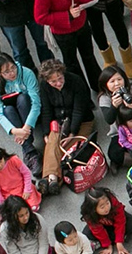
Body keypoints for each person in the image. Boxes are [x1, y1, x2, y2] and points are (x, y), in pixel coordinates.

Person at [34, 0, 101, 88]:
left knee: (89, 56)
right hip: (63, 32)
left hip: (81, 24)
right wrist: (67, 16)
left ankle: (98, 86)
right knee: (72, 64)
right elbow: (40, 17)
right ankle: (82, 94)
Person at [36, 58, 94, 192]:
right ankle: (53, 179)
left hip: (82, 121)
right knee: (53, 142)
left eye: (60, 79)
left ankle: (51, 179)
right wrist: (46, 133)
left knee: (69, 146)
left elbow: (79, 110)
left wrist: (72, 133)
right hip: (59, 120)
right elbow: (46, 111)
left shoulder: (76, 81)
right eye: (53, 81)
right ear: (47, 81)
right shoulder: (44, 86)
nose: (58, 83)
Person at [0, 56, 40, 174]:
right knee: (7, 110)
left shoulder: (26, 73)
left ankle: (27, 147)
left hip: (29, 111)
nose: (12, 73)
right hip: (13, 115)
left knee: (23, 98)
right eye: (6, 72)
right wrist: (14, 131)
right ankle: (29, 148)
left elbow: (36, 103)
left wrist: (26, 127)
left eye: (13, 68)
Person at [80, 184, 132, 254]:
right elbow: (98, 230)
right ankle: (111, 240)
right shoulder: (89, 215)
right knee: (87, 233)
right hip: (103, 225)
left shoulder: (113, 203)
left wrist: (119, 242)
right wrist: (108, 246)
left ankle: (113, 239)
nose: (107, 208)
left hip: (114, 221)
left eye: (107, 203)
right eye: (102, 207)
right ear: (94, 209)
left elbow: (120, 222)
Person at [0, 142, 38, 209]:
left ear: (3, 156)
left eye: (0, 161)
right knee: (16, 212)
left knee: (33, 207)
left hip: (23, 186)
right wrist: (3, 203)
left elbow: (26, 173)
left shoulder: (13, 160)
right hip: (9, 194)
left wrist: (27, 189)